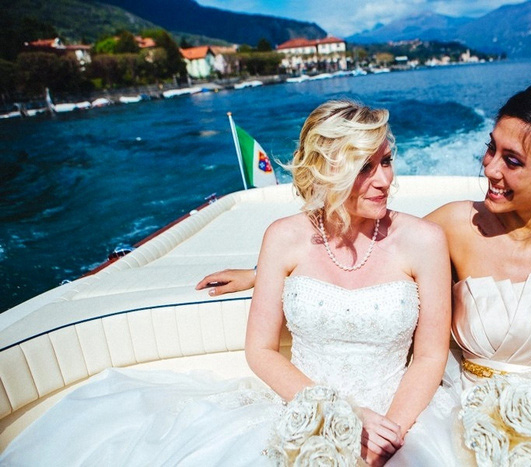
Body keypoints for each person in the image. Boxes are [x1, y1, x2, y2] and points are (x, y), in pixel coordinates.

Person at [198, 85, 531, 465]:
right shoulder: (457, 226)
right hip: (463, 407)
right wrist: (263, 274)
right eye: (490, 149)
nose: (488, 169)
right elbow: (355, 253)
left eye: (511, 160)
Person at [0, 100, 456, 466]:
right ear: (327, 171)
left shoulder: (425, 241)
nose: (384, 180)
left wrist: (389, 434)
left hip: (401, 413)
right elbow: (259, 350)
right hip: (305, 405)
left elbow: (431, 353)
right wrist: (340, 417)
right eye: (365, 167)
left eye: (387, 161)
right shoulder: (283, 237)